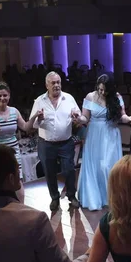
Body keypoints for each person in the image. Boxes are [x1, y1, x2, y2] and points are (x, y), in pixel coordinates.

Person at [76, 74, 131, 211]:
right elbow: (85, 117)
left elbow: (122, 116)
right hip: (94, 136)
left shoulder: (117, 97)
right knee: (95, 167)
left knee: (108, 166)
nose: (102, 92)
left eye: (105, 90)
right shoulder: (90, 96)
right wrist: (79, 119)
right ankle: (95, 198)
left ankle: (111, 198)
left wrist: (130, 118)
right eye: (100, 89)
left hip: (111, 134)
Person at [30, 71, 84, 211]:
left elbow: (78, 116)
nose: (56, 85)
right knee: (49, 171)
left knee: (69, 169)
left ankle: (72, 196)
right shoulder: (39, 101)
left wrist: (76, 117)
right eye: (53, 83)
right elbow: (33, 124)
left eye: (58, 82)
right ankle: (54, 198)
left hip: (66, 142)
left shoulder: (69, 98)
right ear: (46, 85)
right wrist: (39, 119)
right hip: (46, 143)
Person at [0, 81, 36, 202]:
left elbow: (26, 127)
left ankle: (21, 207)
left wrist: (34, 117)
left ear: (9, 96)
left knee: (17, 180)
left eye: (5, 95)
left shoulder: (14, 111)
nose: (2, 98)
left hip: (13, 151)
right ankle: (1, 209)